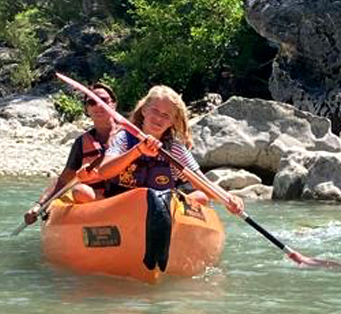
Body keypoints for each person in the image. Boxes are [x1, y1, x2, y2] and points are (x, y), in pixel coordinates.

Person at [80, 85, 245, 215]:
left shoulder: (174, 149)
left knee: (200, 198)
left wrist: (228, 199)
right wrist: (138, 150)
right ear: (144, 110)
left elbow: (201, 182)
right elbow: (105, 171)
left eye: (166, 116)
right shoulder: (124, 138)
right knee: (81, 192)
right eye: (155, 111)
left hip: (160, 209)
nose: (159, 118)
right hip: (120, 204)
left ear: (172, 122)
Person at [23, 82, 118, 226]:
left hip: (124, 198)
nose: (98, 105)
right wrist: (38, 205)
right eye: (92, 102)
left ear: (113, 105)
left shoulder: (129, 136)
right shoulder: (81, 143)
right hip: (94, 201)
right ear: (87, 109)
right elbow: (64, 180)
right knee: (80, 191)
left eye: (103, 100)